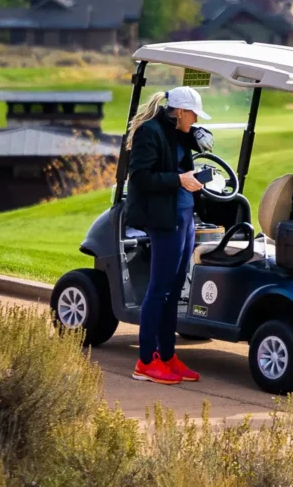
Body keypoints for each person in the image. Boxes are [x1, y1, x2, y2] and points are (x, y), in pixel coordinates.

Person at [125, 84, 209, 384]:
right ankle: (146, 361)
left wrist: (199, 138)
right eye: (194, 115)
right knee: (159, 289)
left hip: (184, 216)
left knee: (174, 290)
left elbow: (183, 157)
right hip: (165, 219)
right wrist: (179, 180)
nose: (196, 120)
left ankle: (168, 355)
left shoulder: (178, 131)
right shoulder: (150, 132)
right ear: (181, 112)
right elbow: (141, 177)